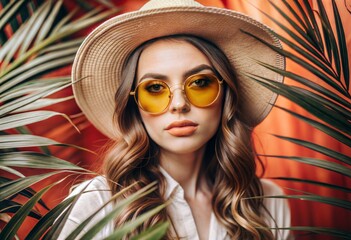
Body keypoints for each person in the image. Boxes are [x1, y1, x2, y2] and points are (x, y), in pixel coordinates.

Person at [59, 0, 291, 239]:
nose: (179, 105)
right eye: (155, 88)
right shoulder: (97, 203)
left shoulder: (268, 203)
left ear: (226, 95)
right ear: (134, 105)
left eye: (200, 83)